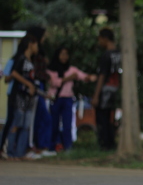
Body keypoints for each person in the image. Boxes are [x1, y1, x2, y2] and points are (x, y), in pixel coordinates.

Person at [47, 46, 97, 152]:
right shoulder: (51, 70)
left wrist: (90, 77)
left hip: (68, 99)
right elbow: (53, 82)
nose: (64, 56)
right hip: (55, 99)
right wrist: (68, 78)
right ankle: (51, 146)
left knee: (67, 124)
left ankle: (67, 147)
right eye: (62, 54)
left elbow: (82, 76)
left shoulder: (72, 69)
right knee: (53, 124)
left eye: (66, 54)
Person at [7, 35, 39, 159]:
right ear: (30, 44)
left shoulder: (31, 61)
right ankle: (11, 152)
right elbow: (14, 73)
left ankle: (20, 152)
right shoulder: (21, 59)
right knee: (17, 123)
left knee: (26, 125)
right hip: (19, 96)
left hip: (28, 98)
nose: (37, 47)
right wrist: (28, 84)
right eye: (36, 44)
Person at [91, 28, 121, 151]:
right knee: (110, 118)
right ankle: (111, 142)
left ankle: (105, 144)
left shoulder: (106, 55)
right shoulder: (119, 53)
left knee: (102, 119)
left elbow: (102, 76)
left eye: (100, 39)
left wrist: (96, 95)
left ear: (105, 38)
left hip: (105, 90)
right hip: (115, 90)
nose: (99, 42)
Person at [26, 26, 53, 156]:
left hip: (39, 86)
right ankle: (35, 146)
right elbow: (35, 73)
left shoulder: (40, 53)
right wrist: (47, 78)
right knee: (38, 118)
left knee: (42, 118)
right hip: (35, 87)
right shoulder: (31, 57)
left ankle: (40, 146)